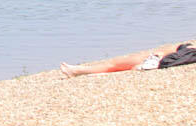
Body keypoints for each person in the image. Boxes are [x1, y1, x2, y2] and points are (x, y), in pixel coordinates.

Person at [60, 41, 193, 77]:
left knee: (116, 64)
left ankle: (78, 70)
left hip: (174, 56)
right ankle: (78, 70)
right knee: (117, 63)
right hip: (183, 52)